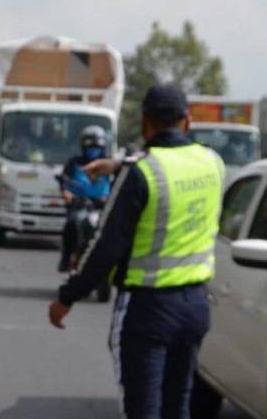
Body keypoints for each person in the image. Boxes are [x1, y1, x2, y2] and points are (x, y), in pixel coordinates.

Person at [48, 84, 224, 418]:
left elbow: (105, 248)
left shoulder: (140, 172)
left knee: (142, 410)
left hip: (148, 310)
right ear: (187, 120)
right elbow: (174, 164)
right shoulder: (213, 163)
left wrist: (67, 297)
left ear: (145, 123)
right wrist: (118, 164)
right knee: (178, 405)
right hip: (196, 307)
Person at [57, 125, 111, 272]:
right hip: (80, 206)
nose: (93, 150)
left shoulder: (108, 164)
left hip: (102, 208)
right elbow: (64, 181)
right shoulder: (74, 163)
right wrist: (67, 194)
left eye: (96, 147)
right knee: (71, 224)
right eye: (90, 147)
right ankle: (67, 257)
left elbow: (118, 183)